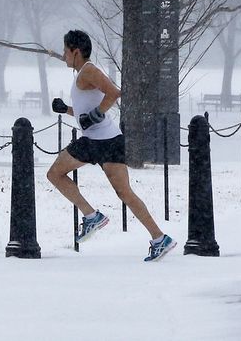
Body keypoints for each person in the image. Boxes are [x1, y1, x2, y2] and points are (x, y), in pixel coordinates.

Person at [46, 29, 176, 262]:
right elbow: (85, 113)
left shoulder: (89, 71)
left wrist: (95, 116)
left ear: (76, 52)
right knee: (122, 192)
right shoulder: (82, 73)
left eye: (66, 50)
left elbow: (114, 93)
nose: (63, 54)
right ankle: (158, 238)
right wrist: (66, 109)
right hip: (103, 140)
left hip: (102, 140)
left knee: (56, 174)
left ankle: (92, 216)